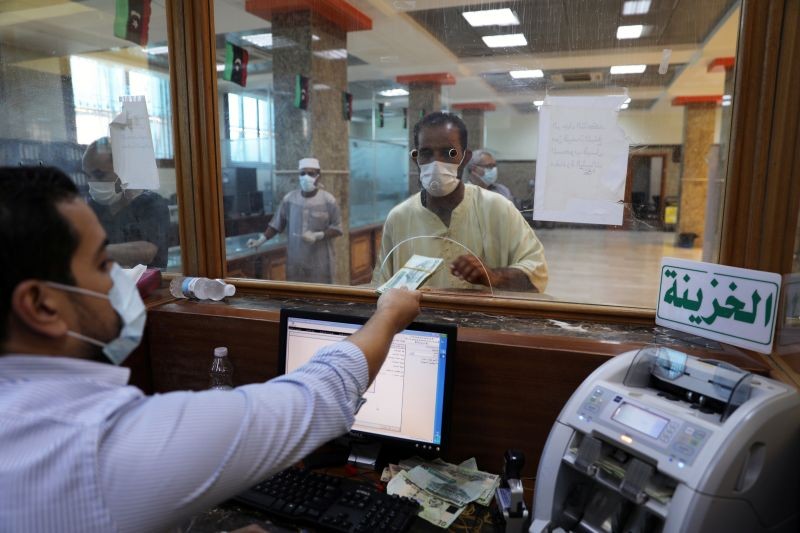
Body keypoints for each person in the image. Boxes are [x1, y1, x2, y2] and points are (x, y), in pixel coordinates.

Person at [0, 166, 421, 532]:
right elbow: (318, 396)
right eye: (100, 263)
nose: (120, 278)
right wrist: (389, 316)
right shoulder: (98, 445)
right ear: (41, 305)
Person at [373, 112, 548, 292]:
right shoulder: (399, 218)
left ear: (465, 158)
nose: (436, 163)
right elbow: (382, 286)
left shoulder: (498, 208)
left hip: (484, 319)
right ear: (416, 158)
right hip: (419, 320)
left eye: (449, 153)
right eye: (426, 153)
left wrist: (493, 276)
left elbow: (537, 273)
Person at [248, 157, 342, 283]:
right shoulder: (290, 199)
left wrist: (318, 235)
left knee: (321, 296)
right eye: (302, 173)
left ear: (318, 176)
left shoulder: (328, 200)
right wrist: (261, 240)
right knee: (297, 295)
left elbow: (337, 228)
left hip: (320, 261)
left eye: (311, 173)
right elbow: (276, 224)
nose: (306, 177)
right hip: (296, 260)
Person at [82, 137, 170, 269]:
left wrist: (93, 252)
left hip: (146, 286)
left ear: (123, 171)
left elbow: (147, 251)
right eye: (88, 176)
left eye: (99, 175)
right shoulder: (94, 207)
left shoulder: (150, 203)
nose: (92, 182)